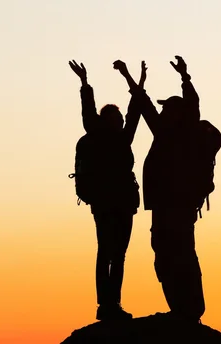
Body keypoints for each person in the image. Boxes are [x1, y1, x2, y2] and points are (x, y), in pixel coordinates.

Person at [113, 56, 221, 324]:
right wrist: (128, 76)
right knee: (164, 254)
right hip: (164, 206)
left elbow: (192, 106)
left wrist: (185, 77)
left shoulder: (185, 132)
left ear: (178, 113)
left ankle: (191, 311)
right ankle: (180, 309)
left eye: (167, 109)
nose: (161, 112)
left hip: (179, 206)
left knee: (181, 254)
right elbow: (144, 102)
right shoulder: (163, 130)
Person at [68, 60, 145, 321]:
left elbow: (135, 112)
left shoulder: (122, 136)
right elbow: (88, 112)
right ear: (107, 120)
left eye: (121, 118)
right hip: (109, 203)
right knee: (109, 253)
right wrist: (84, 83)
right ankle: (107, 305)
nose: (122, 121)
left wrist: (135, 80)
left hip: (120, 204)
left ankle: (111, 304)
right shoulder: (99, 134)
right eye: (118, 118)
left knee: (115, 254)